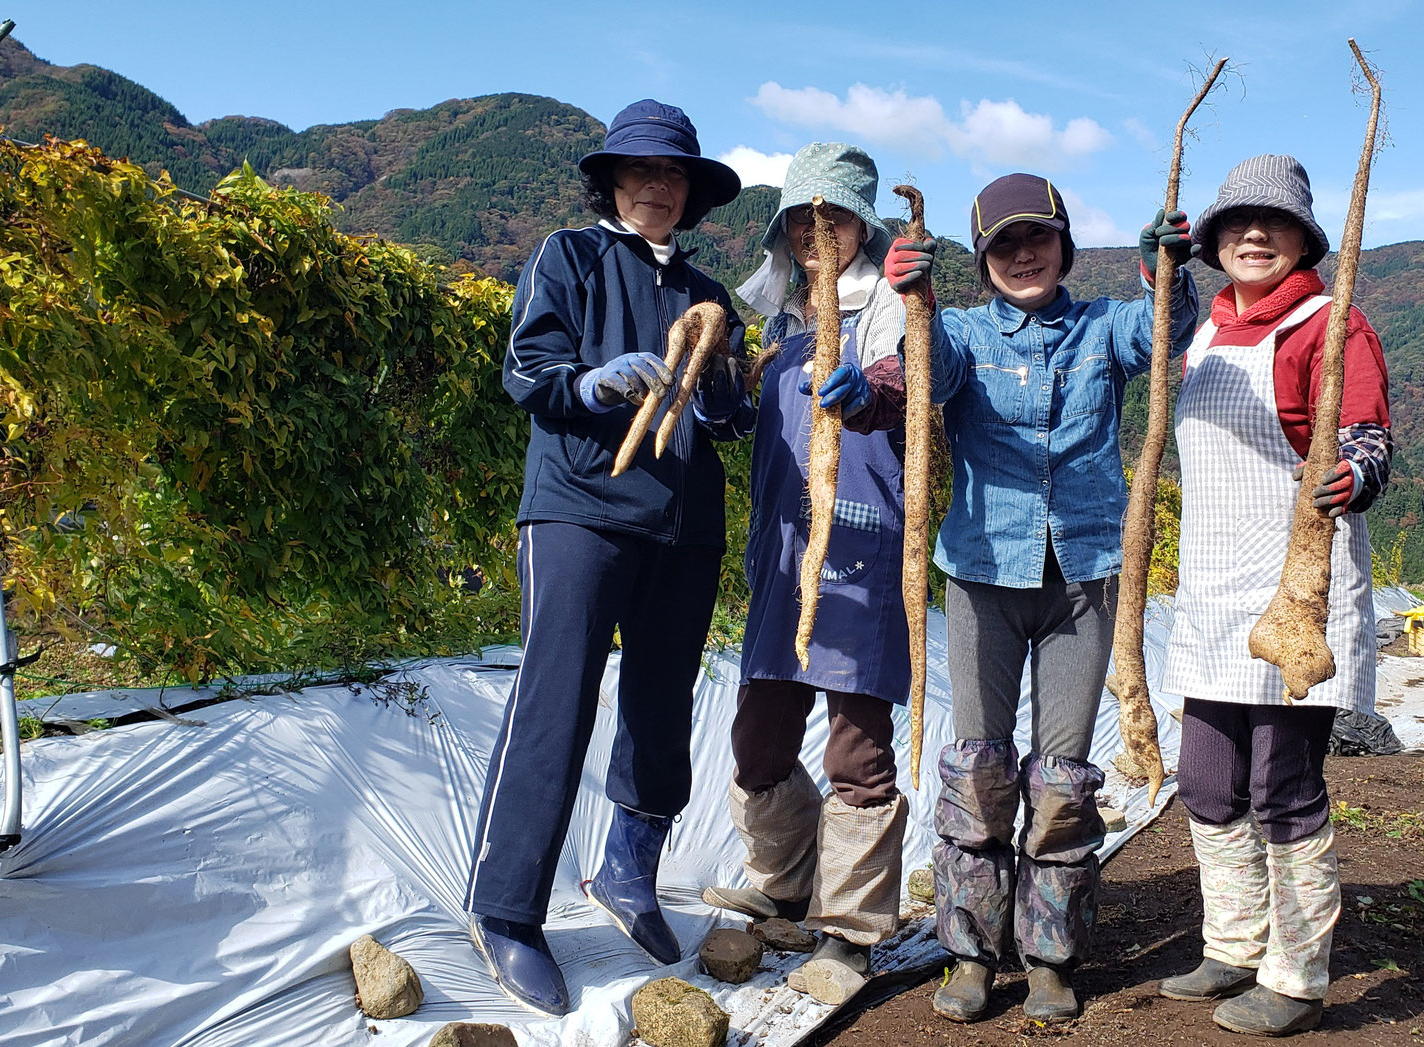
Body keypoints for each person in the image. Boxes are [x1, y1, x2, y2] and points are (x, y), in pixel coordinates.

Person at [885, 173, 1201, 1022]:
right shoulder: (959, 332)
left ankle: (1052, 953)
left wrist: (1161, 271)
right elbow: (930, 368)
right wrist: (915, 293)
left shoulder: (1103, 327)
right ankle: (970, 951)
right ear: (983, 258)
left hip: (1085, 577)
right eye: (1004, 244)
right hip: (985, 574)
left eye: (1038, 239)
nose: (1023, 255)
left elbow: (1166, 330)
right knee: (979, 769)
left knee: (1061, 780)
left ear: (1062, 244)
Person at [465, 98, 754, 1016]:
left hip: (683, 523)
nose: (656, 188)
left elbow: (731, 422)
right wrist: (594, 382)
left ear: (691, 192)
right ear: (611, 180)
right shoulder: (570, 256)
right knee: (555, 698)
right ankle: (505, 907)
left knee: (664, 704)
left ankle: (627, 869)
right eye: (640, 172)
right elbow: (527, 368)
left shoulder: (710, 296)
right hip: (582, 507)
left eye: (672, 175)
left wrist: (718, 387)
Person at [1156, 154, 1393, 1036]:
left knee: (1281, 783)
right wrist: (1159, 268)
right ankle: (1233, 940)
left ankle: (1296, 972)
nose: (1254, 236)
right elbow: (1156, 317)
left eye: (1274, 224)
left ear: (1302, 241)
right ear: (1216, 242)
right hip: (1215, 588)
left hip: (1297, 588)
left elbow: (1368, 436)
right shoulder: (1206, 330)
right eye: (1237, 224)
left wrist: (1353, 474)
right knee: (1207, 780)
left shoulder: (1332, 325)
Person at [698, 142, 915, 1005]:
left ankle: (853, 928)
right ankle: (784, 879)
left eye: (834, 217)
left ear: (863, 225)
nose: (816, 231)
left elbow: (906, 389)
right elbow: (745, 420)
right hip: (784, 560)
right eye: (801, 219)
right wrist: (717, 381)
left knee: (857, 749)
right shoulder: (784, 321)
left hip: (861, 556)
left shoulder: (890, 314)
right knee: (760, 735)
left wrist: (870, 394)